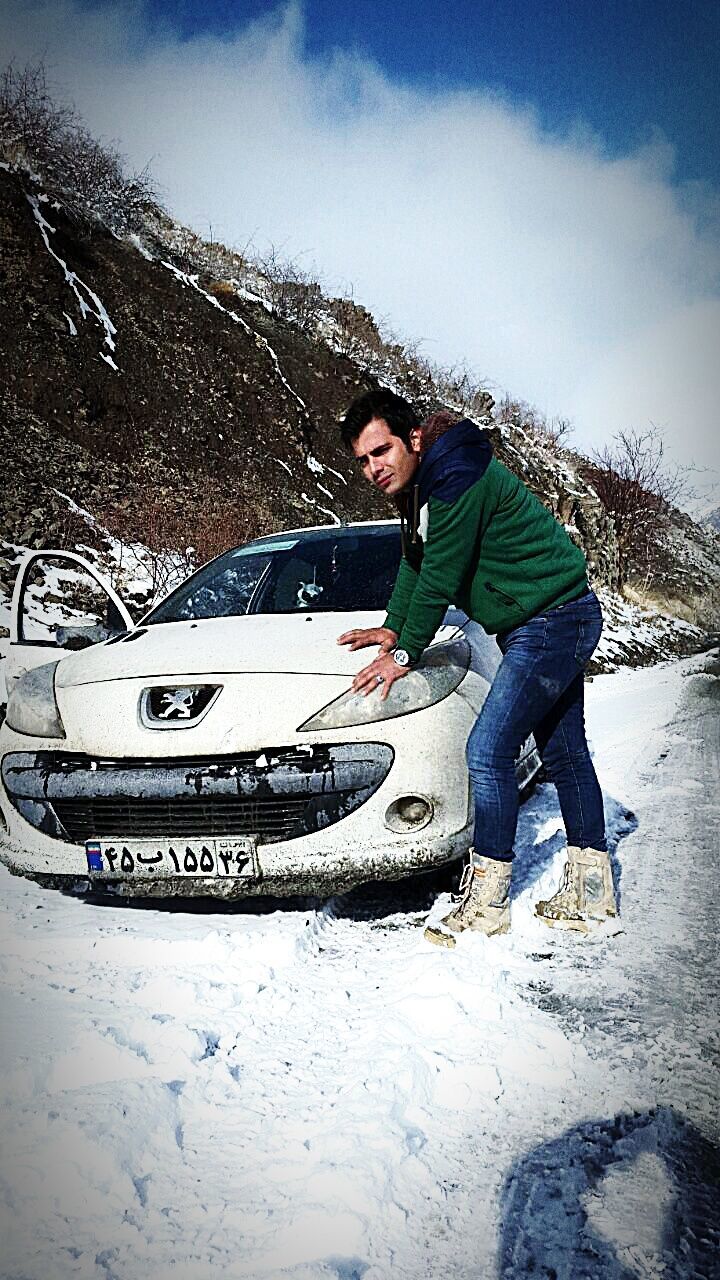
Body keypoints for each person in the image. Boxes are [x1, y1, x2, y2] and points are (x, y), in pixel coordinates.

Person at [337, 389, 616, 946]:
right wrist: (394, 626)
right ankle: (593, 892)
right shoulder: (424, 486)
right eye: (364, 460)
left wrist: (403, 653)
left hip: (553, 618)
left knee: (486, 751)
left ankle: (487, 902)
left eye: (382, 451)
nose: (373, 468)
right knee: (563, 752)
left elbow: (440, 574)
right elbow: (415, 562)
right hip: (547, 618)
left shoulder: (456, 477)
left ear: (413, 438)